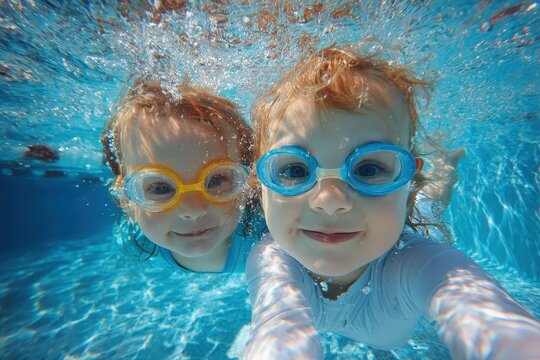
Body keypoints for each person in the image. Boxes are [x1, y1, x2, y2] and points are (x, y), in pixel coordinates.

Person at [244, 47, 540, 359]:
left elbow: (488, 320)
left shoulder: (420, 264)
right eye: (294, 170)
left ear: (408, 180)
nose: (330, 202)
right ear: (259, 182)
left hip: (418, 226)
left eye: (369, 169)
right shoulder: (271, 261)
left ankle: (442, 172)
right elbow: (274, 328)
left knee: (430, 202)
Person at [101, 79, 266, 273]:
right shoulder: (134, 242)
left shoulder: (265, 233)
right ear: (127, 201)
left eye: (215, 180)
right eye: (160, 188)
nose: (193, 210)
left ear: (246, 183)